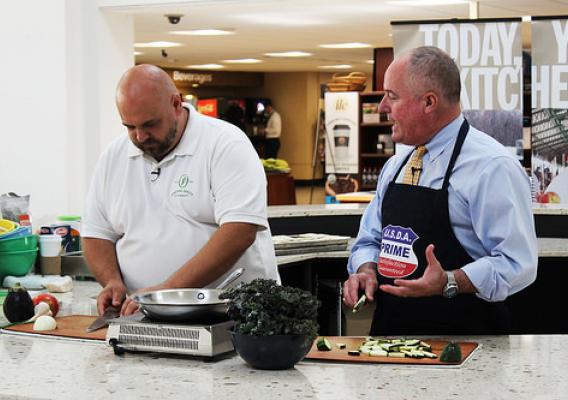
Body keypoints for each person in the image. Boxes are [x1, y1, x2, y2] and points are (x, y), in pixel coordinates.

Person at [343, 46, 537, 335]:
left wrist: (450, 280)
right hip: (390, 339)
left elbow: (517, 264)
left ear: (429, 102)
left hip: (466, 346)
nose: (382, 107)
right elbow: (369, 240)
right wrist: (366, 271)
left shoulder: (491, 166)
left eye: (392, 96)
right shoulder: (397, 165)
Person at [82, 64, 280, 316]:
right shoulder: (114, 156)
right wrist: (112, 281)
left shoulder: (226, 144)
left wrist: (168, 292)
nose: (140, 137)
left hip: (233, 314)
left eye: (149, 124)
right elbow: (96, 233)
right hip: (145, 315)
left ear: (176, 104)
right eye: (129, 127)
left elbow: (239, 231)